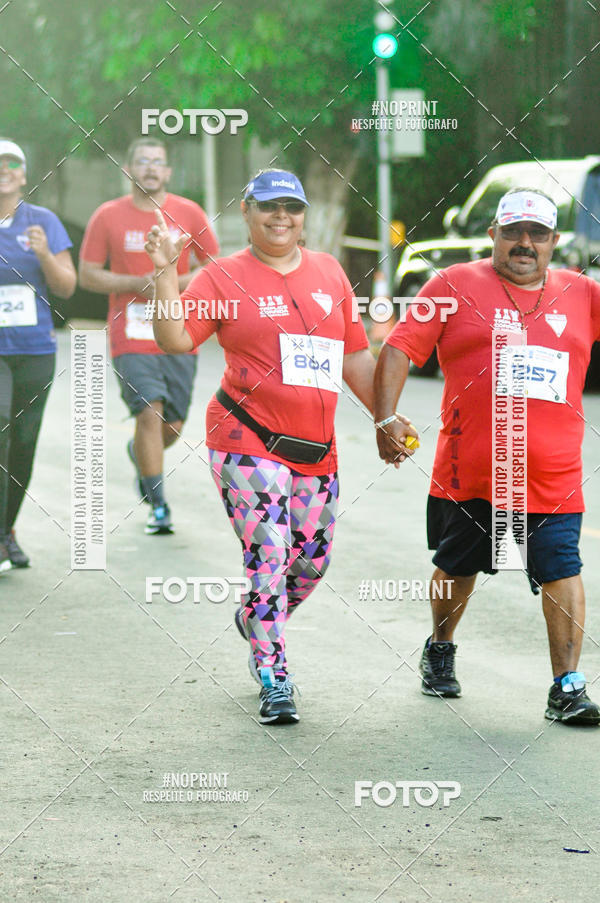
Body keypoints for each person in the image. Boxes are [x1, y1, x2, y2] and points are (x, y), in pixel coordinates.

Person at [144, 168, 377, 724]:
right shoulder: (222, 275)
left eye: (292, 208)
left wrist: (385, 418)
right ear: (245, 211)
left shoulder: (329, 272)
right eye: (269, 207)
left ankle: (256, 618)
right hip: (245, 436)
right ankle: (273, 673)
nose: (281, 217)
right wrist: (163, 271)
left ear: (303, 217)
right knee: (269, 554)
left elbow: (355, 358)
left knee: (311, 563)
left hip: (316, 448)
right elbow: (175, 339)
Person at [374, 187, 600, 726]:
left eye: (538, 234)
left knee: (562, 568)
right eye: (514, 231)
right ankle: (441, 648)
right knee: (457, 568)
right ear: (492, 234)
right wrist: (386, 418)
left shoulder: (584, 294)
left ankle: (566, 686)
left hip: (554, 474)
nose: (525, 243)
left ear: (554, 242)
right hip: (471, 471)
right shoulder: (452, 285)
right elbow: (400, 347)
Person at [79, 138, 219, 535]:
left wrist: (168, 281)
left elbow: (214, 265)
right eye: (142, 162)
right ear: (128, 170)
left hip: (178, 329)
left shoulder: (188, 212)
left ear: (169, 172)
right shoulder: (107, 216)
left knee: (170, 426)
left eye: (158, 162)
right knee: (149, 412)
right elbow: (88, 273)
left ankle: (141, 453)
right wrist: (136, 282)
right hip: (131, 335)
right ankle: (158, 505)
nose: (151, 169)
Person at [0, 139, 76, 571]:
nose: (4, 169)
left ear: (24, 174)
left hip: (34, 349)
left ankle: (5, 531)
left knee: (24, 443)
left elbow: (67, 286)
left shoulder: (43, 222)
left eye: (13, 163)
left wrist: (45, 253)